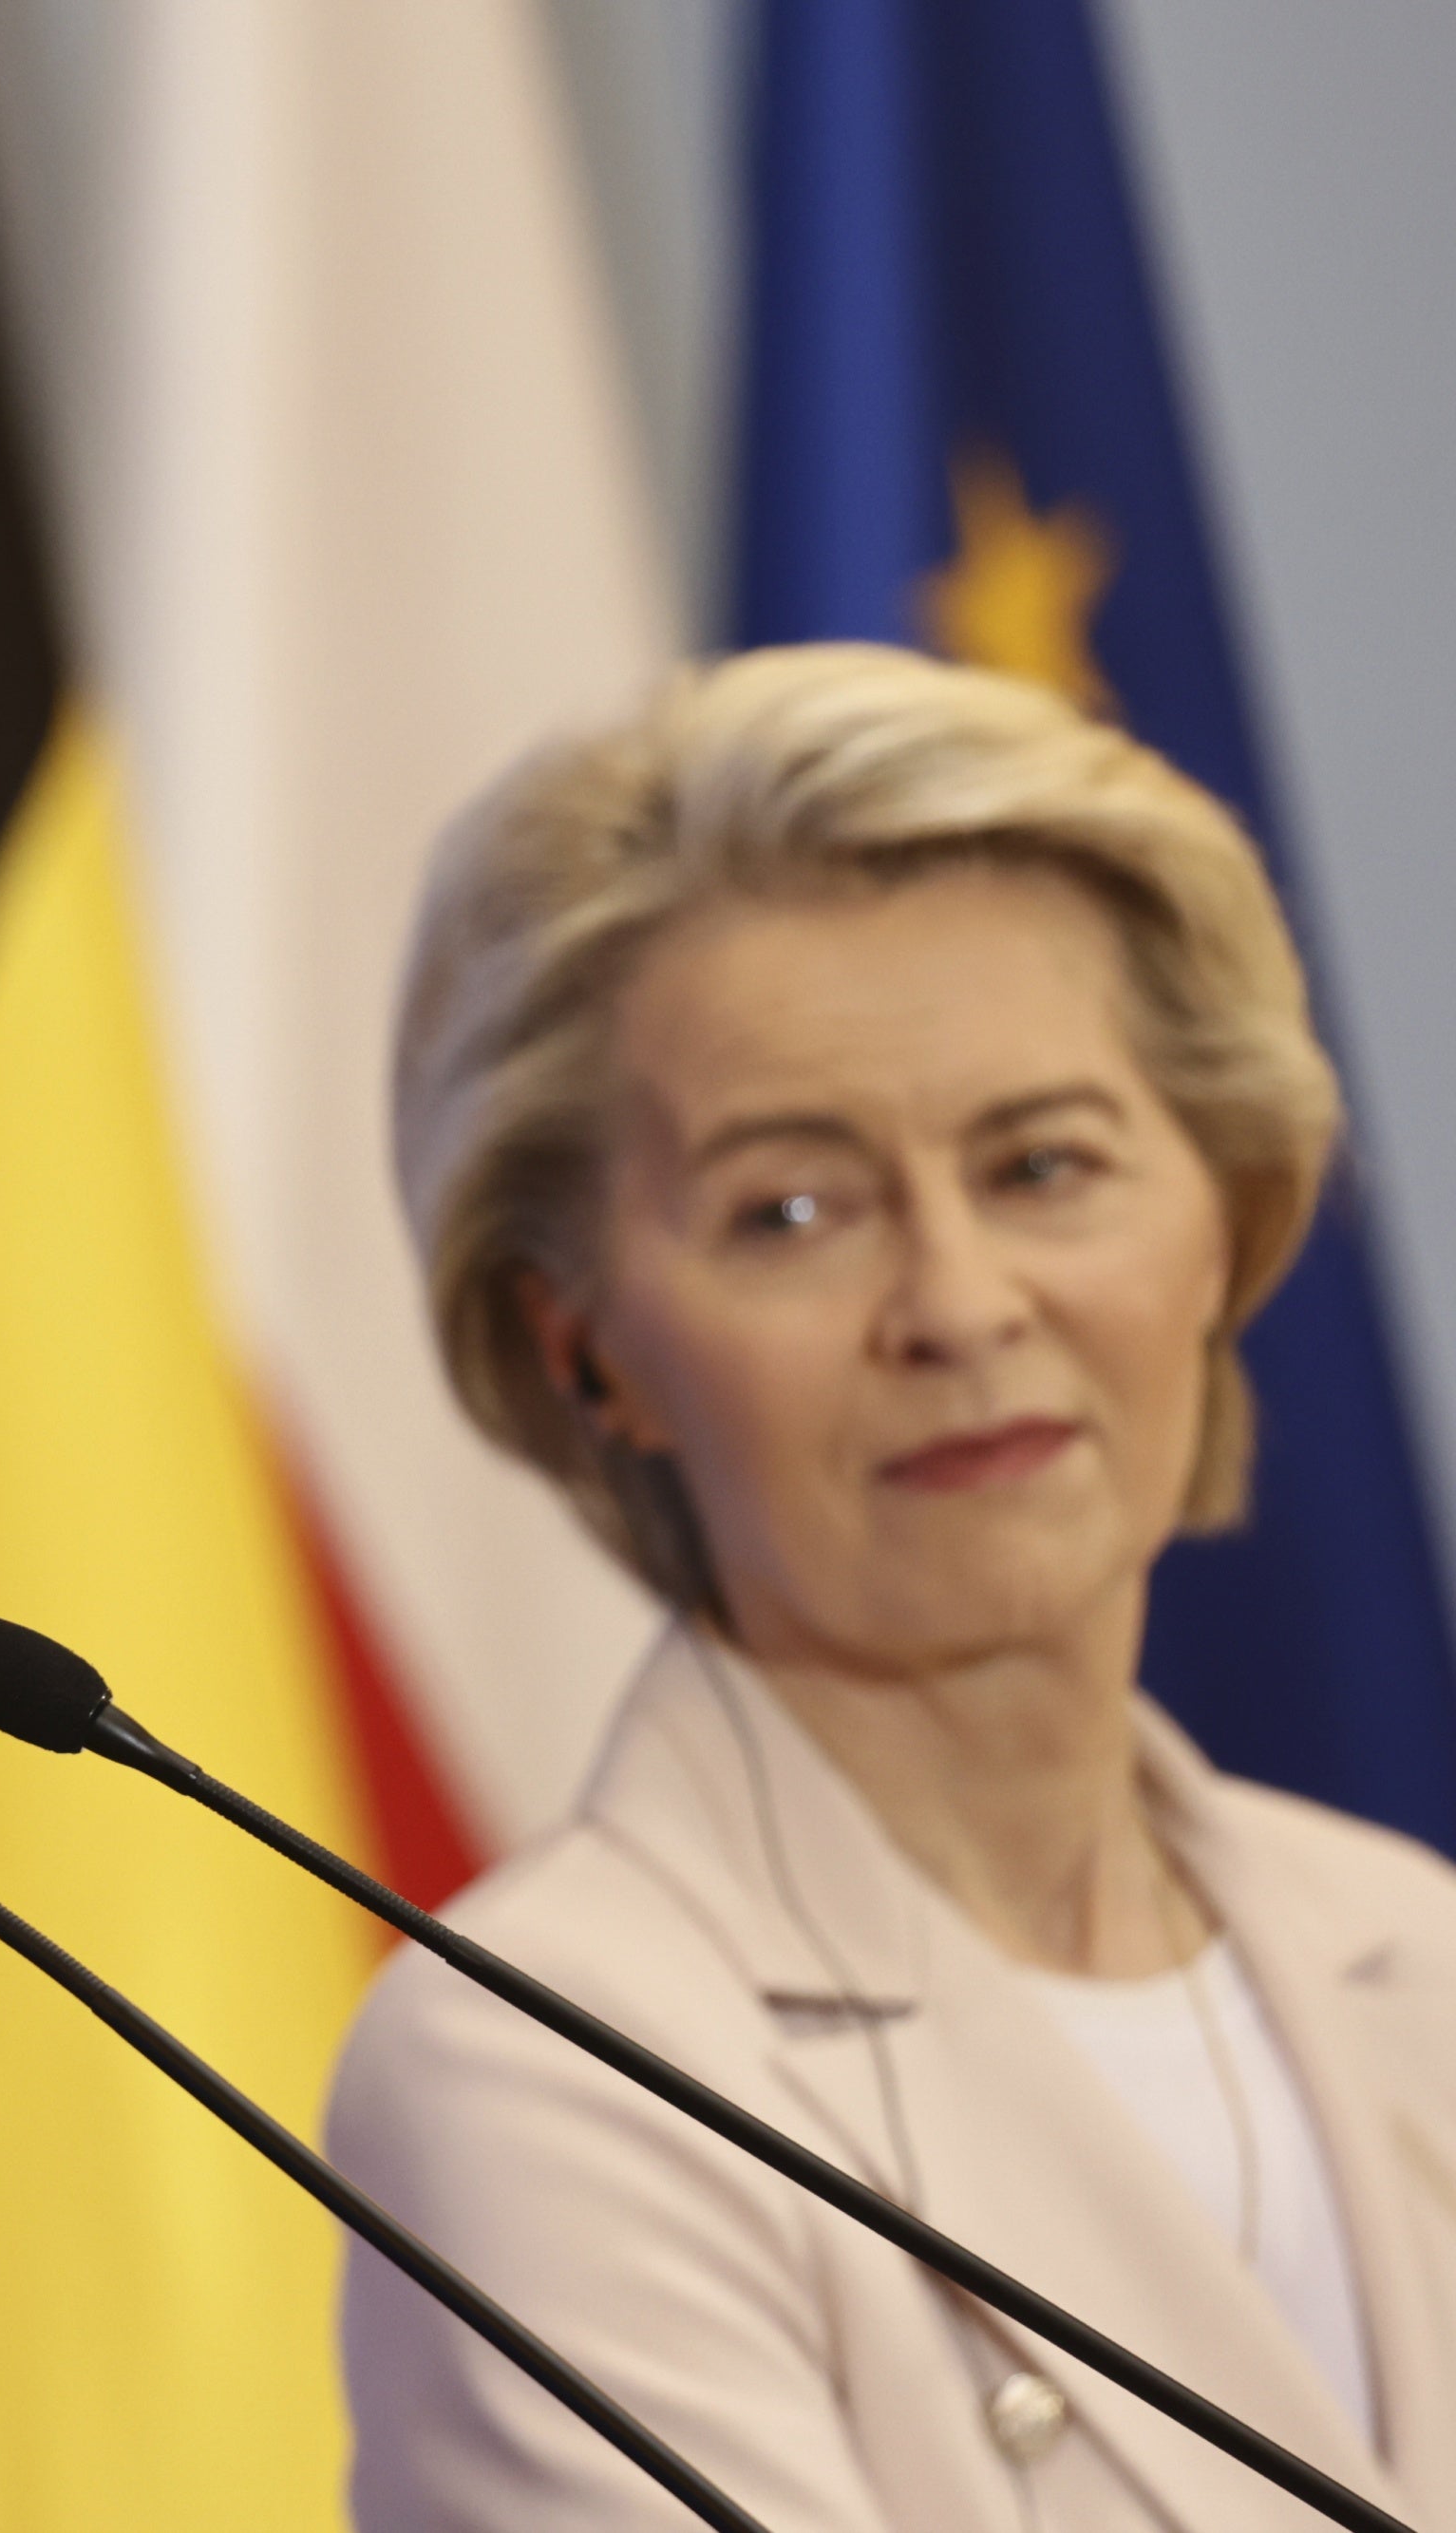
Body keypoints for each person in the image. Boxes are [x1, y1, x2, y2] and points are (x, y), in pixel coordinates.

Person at [331, 643, 1456, 2531]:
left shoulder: (1408, 1943)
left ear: (1222, 1217)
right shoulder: (550, 2066)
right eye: (789, 1209)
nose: (952, 1301)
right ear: (583, 1344)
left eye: (1039, 1162)